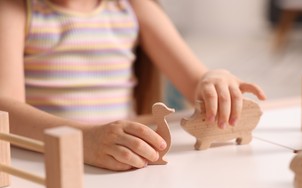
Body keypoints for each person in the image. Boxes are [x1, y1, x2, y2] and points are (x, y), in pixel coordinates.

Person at [0, 0, 266, 171]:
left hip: (125, 163)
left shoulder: (132, 7)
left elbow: (196, 80)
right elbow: (5, 110)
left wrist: (214, 78)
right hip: (48, 164)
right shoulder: (15, 9)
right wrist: (83, 140)